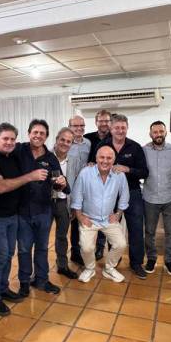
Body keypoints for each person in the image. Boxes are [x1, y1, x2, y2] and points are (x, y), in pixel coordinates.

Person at [0, 122, 49, 316]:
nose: (9, 142)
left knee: (8, 254)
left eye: (12, 139)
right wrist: (30, 177)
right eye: (5, 138)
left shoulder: (14, 154)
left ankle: (3, 288)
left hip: (13, 215)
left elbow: (34, 147)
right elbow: (1, 186)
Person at [16, 119, 68, 296]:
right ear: (29, 133)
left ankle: (41, 280)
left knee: (42, 248)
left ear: (46, 137)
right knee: (24, 249)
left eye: (42, 133)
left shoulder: (50, 158)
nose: (38, 136)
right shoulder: (18, 150)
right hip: (22, 210)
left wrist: (61, 182)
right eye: (35, 132)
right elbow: (1, 148)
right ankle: (24, 282)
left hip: (44, 210)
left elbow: (60, 185)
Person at [96, 113, 149, 279]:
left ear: (127, 128)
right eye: (117, 127)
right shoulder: (102, 145)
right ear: (111, 129)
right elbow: (94, 166)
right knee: (112, 228)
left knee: (136, 229)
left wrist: (128, 169)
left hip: (132, 193)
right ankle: (114, 260)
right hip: (109, 194)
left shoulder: (135, 147)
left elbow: (144, 172)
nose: (120, 130)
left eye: (123, 128)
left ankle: (136, 263)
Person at [71, 146, 129, 283]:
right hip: (89, 218)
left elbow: (125, 195)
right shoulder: (85, 173)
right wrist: (80, 216)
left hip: (109, 218)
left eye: (109, 158)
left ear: (113, 160)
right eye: (102, 157)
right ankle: (90, 268)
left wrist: (118, 214)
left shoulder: (119, 175)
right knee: (87, 247)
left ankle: (109, 268)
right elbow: (77, 196)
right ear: (96, 159)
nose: (105, 161)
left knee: (121, 244)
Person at [142, 120, 171, 275]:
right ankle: (151, 258)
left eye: (161, 131)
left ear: (166, 133)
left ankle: (169, 260)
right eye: (155, 132)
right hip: (150, 198)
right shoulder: (144, 150)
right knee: (149, 231)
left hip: (170, 197)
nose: (158, 134)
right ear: (150, 134)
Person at [52, 127, 82, 280]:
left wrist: (75, 206)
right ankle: (37, 272)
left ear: (72, 144)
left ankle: (62, 265)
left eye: (68, 141)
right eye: (62, 140)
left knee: (62, 236)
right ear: (57, 139)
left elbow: (77, 184)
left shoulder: (74, 160)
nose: (65, 143)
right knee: (40, 238)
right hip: (45, 203)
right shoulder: (46, 156)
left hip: (64, 202)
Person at [85, 109, 113, 261]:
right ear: (96, 122)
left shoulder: (115, 138)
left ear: (111, 122)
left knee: (109, 218)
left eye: (106, 121)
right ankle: (98, 247)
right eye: (101, 121)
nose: (104, 123)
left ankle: (111, 250)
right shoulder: (88, 138)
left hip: (110, 184)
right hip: (93, 184)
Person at [67, 115, 91, 265]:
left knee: (81, 222)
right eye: (75, 126)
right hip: (69, 189)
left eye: (82, 125)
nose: (79, 128)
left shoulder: (88, 143)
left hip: (85, 191)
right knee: (71, 222)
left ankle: (82, 251)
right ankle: (73, 253)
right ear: (69, 127)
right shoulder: (65, 143)